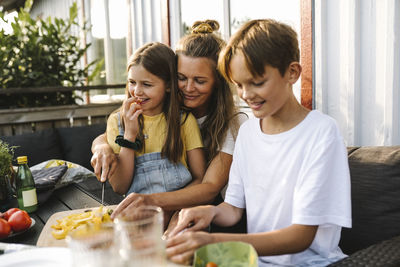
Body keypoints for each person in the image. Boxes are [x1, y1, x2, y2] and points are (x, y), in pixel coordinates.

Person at [166, 19, 352, 267]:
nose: (246, 94)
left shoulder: (321, 133)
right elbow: (233, 209)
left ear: (292, 73)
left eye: (257, 82)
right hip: (254, 261)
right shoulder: (248, 132)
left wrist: (212, 242)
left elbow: (301, 236)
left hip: (312, 263)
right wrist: (207, 212)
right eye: (239, 84)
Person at [91, 20, 247, 222]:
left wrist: (153, 203)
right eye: (181, 78)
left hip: (217, 213)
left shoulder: (231, 123)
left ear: (219, 83)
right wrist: (101, 147)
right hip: (154, 209)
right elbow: (114, 134)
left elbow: (208, 187)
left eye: (199, 81)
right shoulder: (167, 112)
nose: (188, 88)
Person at [103, 42, 205, 201]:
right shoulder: (116, 122)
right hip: (139, 215)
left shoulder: (183, 121)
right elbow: (119, 186)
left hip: (180, 209)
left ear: (169, 86)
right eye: (132, 82)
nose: (136, 91)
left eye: (147, 84)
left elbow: (200, 179)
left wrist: (172, 210)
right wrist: (129, 135)